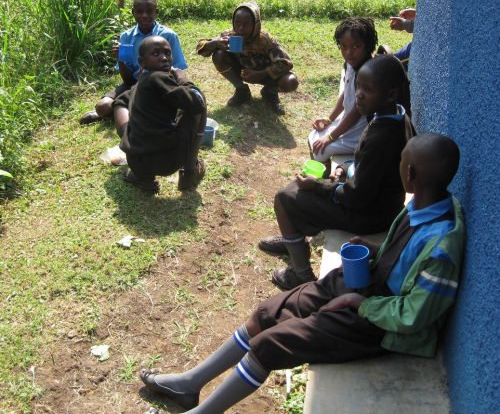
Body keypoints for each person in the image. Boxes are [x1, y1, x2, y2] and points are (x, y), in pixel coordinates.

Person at [139, 133, 465, 414]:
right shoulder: (424, 204)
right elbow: (407, 258)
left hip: (383, 322)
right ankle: (190, 383)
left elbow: (413, 316)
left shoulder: (441, 247)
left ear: (409, 173)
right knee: (268, 313)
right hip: (370, 285)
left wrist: (358, 304)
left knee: (271, 344)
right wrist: (377, 250)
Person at [260, 55, 415, 290]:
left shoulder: (381, 136)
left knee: (285, 198)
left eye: (368, 89)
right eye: (358, 86)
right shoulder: (399, 117)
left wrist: (321, 186)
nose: (359, 94)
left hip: (369, 215)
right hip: (383, 204)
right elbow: (373, 171)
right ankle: (293, 238)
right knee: (298, 191)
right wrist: (344, 171)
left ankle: (300, 274)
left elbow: (357, 197)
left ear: (391, 94)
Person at [79, 0, 188, 125]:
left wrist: (183, 91)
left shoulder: (168, 35)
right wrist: (120, 58)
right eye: (139, 11)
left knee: (153, 105)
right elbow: (128, 80)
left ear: (156, 12)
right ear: (133, 12)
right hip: (134, 84)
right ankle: (121, 109)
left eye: (149, 11)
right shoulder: (126, 37)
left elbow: (179, 70)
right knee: (102, 107)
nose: (144, 15)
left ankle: (126, 110)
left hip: (161, 85)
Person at [117, 36, 206, 193]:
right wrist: (183, 80)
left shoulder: (140, 83)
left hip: (136, 159)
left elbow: (119, 102)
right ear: (142, 62)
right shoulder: (159, 77)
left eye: (167, 53)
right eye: (156, 54)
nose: (164, 58)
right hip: (165, 161)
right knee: (197, 104)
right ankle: (190, 171)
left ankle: (143, 179)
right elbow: (196, 102)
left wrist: (125, 131)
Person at [196, 1, 298, 115]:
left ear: (255, 24)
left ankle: (270, 92)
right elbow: (201, 49)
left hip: (267, 76)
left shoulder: (264, 39)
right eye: (237, 22)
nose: (240, 28)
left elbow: (286, 63)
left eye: (246, 24)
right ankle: (242, 91)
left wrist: (260, 73)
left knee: (291, 81)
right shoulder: (230, 35)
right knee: (219, 55)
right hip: (242, 72)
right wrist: (215, 43)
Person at [308, 17, 378, 170]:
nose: (348, 52)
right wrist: (330, 118)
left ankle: (329, 175)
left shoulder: (366, 74)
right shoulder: (350, 64)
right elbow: (346, 94)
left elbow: (356, 113)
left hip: (361, 131)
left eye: (356, 46)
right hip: (349, 120)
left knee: (319, 150)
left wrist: (331, 137)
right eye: (344, 46)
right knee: (314, 136)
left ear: (368, 46)